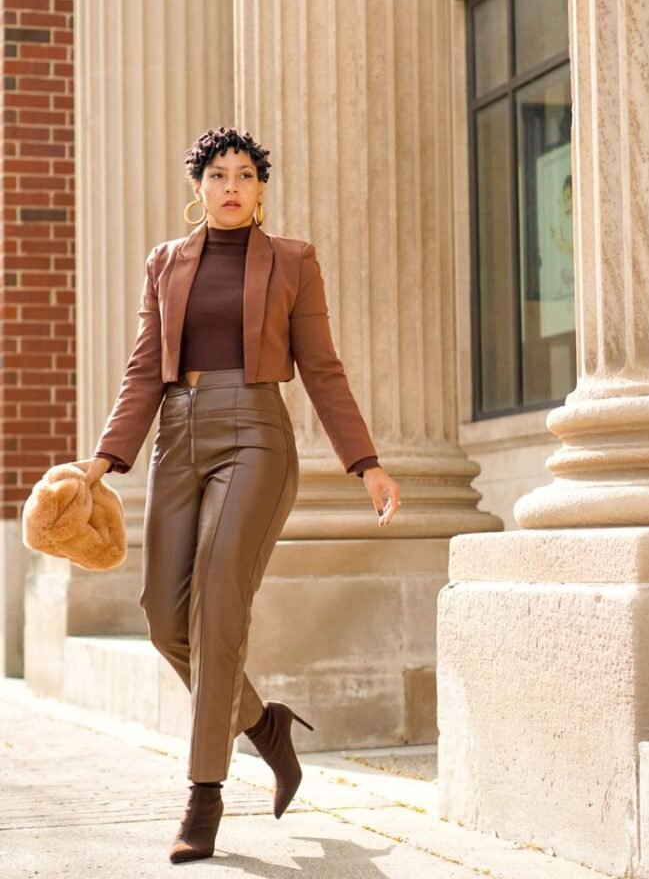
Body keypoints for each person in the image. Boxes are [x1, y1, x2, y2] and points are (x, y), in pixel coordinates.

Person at [71, 126, 401, 863]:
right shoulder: (166, 263)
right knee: (164, 617)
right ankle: (264, 724)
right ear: (197, 188)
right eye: (217, 174)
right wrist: (102, 460)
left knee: (219, 601)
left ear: (261, 188)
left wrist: (365, 462)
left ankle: (204, 797)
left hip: (255, 433)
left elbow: (321, 366)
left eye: (244, 175)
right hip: (177, 438)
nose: (230, 186)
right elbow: (141, 373)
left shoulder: (292, 262)